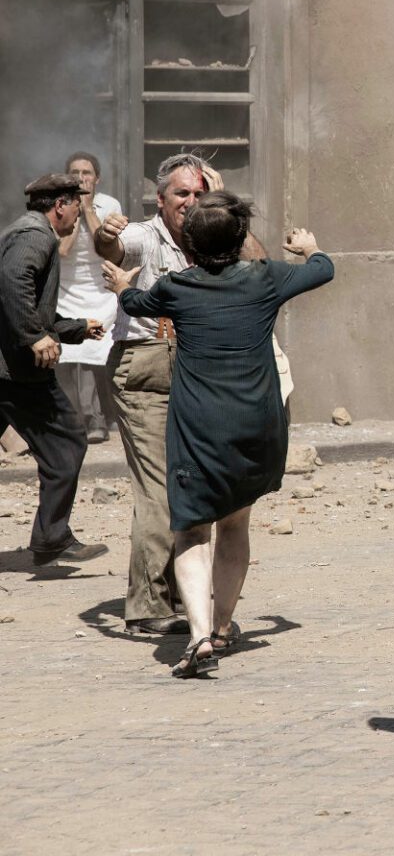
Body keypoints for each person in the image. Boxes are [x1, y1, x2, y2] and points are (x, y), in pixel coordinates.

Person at [108, 194, 331, 676]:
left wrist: (123, 285)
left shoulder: (176, 288)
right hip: (257, 423)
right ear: (240, 241)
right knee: (235, 524)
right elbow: (324, 269)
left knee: (191, 527)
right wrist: (308, 248)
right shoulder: (265, 277)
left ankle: (200, 635)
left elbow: (135, 302)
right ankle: (226, 627)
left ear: (188, 246)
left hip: (199, 425)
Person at [93, 153, 208, 634]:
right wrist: (105, 232)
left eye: (199, 193)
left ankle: (181, 591)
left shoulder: (211, 233)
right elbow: (112, 248)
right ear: (161, 200)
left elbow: (257, 260)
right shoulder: (144, 235)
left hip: (194, 367)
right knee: (159, 489)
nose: (191, 202)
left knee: (192, 484)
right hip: (144, 363)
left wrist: (220, 205)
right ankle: (147, 606)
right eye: (182, 194)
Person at [0, 174, 110, 567]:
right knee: (67, 442)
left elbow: (30, 305)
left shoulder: (26, 232)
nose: (79, 212)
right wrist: (34, 337)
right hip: (16, 372)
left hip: (8, 369)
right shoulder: (36, 235)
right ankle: (52, 536)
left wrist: (76, 328)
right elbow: (12, 285)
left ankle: (51, 535)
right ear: (60, 205)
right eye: (76, 204)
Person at [54, 152, 121, 446]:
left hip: (100, 290)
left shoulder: (110, 205)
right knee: (70, 355)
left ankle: (100, 416)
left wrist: (89, 209)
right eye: (75, 173)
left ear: (97, 178)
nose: (81, 178)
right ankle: (81, 419)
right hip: (67, 290)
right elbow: (62, 250)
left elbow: (105, 248)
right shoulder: (57, 206)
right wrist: (75, 212)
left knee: (96, 351)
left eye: (87, 173)